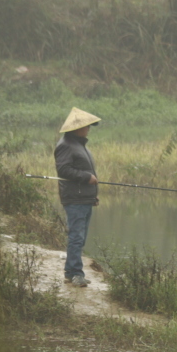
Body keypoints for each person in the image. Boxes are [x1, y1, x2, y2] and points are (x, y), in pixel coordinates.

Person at [54, 107, 100, 287]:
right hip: (74, 199)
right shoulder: (66, 145)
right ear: (77, 128)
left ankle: (72, 271)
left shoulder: (79, 145)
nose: (88, 129)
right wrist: (87, 177)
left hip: (84, 199)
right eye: (86, 126)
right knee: (76, 237)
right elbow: (63, 170)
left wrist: (92, 196)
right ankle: (75, 273)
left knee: (81, 236)